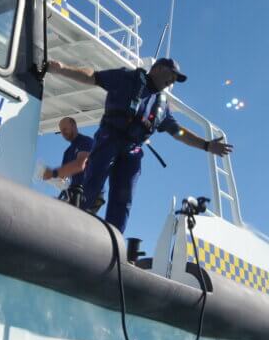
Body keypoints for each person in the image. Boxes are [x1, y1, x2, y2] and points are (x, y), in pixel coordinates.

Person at [45, 56, 233, 233]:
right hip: (109, 140)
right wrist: (62, 69)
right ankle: (65, 225)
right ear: (157, 69)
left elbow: (179, 132)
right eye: (171, 75)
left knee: (123, 200)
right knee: (91, 187)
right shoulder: (126, 78)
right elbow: (93, 76)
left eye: (176, 78)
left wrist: (206, 145)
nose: (172, 81)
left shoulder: (162, 106)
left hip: (132, 151)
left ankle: (113, 240)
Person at [41, 116, 94, 207]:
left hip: (90, 191)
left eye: (65, 129)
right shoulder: (67, 152)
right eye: (61, 131)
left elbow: (80, 165)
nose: (63, 133)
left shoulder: (85, 141)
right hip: (74, 192)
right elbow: (63, 177)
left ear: (74, 126)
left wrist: (53, 173)